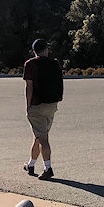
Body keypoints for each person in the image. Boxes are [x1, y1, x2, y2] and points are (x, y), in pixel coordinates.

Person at [22, 38, 63, 179]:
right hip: (52, 105)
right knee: (38, 136)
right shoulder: (55, 64)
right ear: (45, 50)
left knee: (43, 139)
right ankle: (31, 164)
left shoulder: (30, 64)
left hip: (37, 105)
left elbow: (29, 87)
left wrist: (28, 105)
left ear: (34, 51)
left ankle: (48, 168)